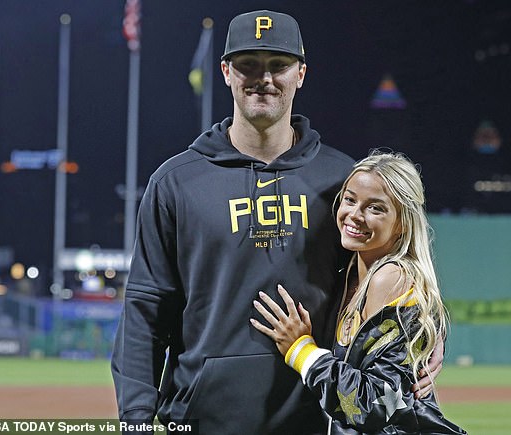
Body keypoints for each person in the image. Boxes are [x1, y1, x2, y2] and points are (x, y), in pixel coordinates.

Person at [111, 10, 442, 434]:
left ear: (300, 74)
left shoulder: (342, 181)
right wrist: (135, 421)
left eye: (278, 65)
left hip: (316, 418)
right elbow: (145, 310)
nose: (263, 78)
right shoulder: (176, 182)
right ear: (226, 71)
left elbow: (399, 270)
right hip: (202, 419)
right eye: (248, 64)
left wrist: (422, 341)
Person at [252, 152, 465, 434]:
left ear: (403, 222)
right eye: (350, 200)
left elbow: (374, 405)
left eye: (375, 208)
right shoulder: (354, 270)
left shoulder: (390, 278)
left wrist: (300, 350)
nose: (355, 215)